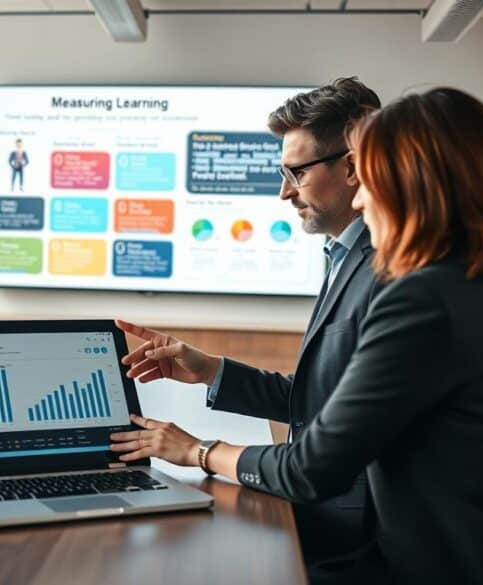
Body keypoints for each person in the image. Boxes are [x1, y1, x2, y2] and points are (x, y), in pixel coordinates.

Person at [111, 87, 483, 585]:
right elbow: (334, 401)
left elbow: (311, 468)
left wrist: (195, 450)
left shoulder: (426, 294)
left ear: (412, 184)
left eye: (370, 178)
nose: (363, 197)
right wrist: (212, 371)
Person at [137, 78, 387, 568]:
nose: (282, 192)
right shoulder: (344, 254)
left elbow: (328, 451)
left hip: (356, 540)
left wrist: (197, 450)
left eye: (296, 172)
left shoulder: (387, 267)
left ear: (353, 168)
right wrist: (211, 370)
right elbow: (323, 395)